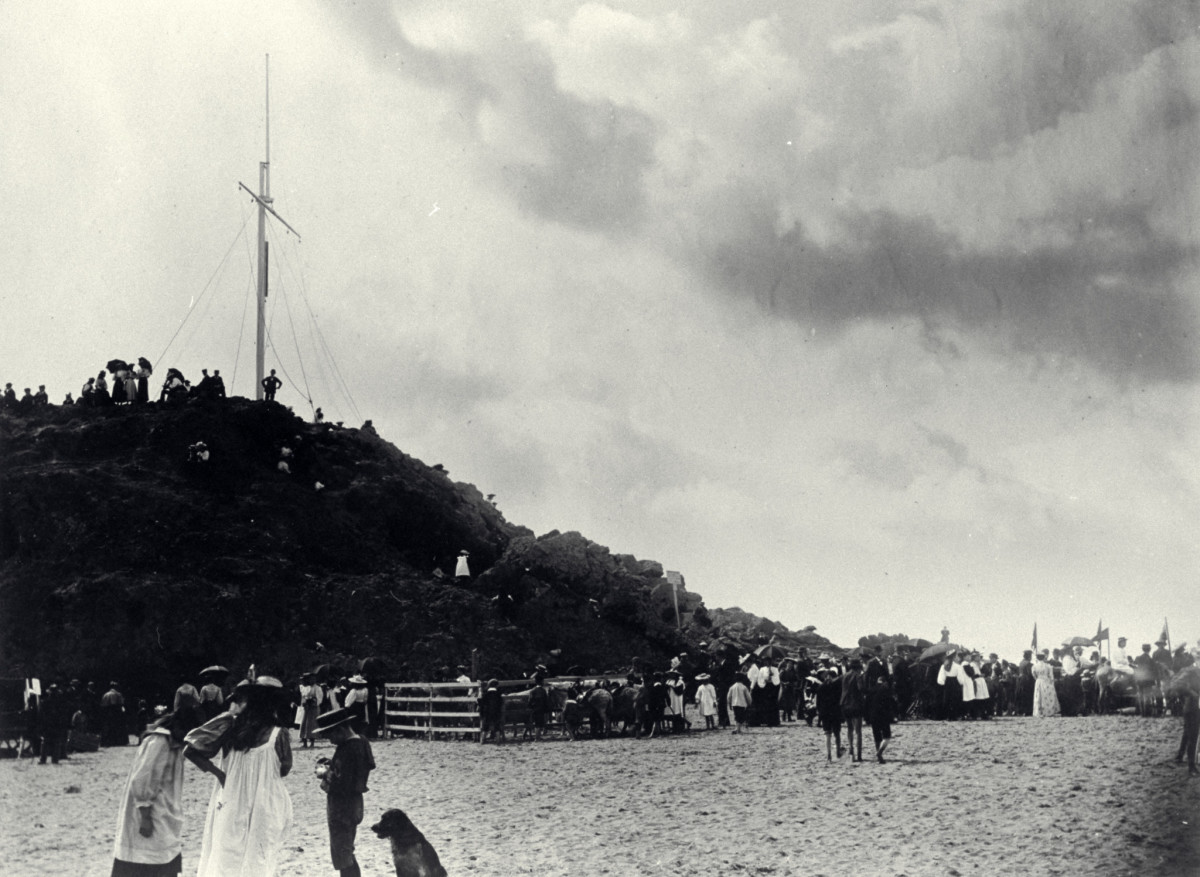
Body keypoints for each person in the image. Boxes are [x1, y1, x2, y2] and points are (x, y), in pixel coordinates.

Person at [184, 676, 294, 877]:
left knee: (227, 856)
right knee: (259, 858)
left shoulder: (230, 725)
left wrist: (220, 774)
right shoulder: (279, 733)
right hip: (265, 801)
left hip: (231, 798)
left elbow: (191, 749)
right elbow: (285, 768)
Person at [110, 687, 205, 877]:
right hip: (149, 813)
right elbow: (143, 780)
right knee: (146, 861)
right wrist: (145, 816)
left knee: (163, 859)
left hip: (164, 810)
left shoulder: (174, 743)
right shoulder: (159, 742)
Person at [313, 707, 375, 877]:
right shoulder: (362, 741)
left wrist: (325, 773)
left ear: (340, 730)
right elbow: (364, 767)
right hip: (356, 803)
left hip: (341, 807)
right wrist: (333, 765)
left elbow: (341, 783)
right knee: (347, 849)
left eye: (330, 735)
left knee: (342, 853)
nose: (330, 741)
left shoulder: (347, 749)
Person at [815, 669, 844, 761]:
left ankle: (829, 755)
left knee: (827, 734)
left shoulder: (821, 687)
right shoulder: (838, 687)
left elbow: (818, 703)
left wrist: (820, 714)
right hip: (835, 712)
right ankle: (838, 752)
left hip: (825, 712)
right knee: (837, 733)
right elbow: (840, 701)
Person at [866, 675, 895, 763]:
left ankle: (879, 756)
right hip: (884, 716)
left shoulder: (871, 690)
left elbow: (866, 704)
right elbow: (891, 704)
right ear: (885, 682)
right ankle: (880, 752)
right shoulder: (886, 690)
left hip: (873, 716)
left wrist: (867, 718)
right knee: (887, 736)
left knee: (876, 736)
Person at [841, 658, 866, 761]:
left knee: (849, 729)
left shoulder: (845, 676)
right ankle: (859, 755)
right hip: (856, 705)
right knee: (858, 731)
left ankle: (851, 752)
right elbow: (861, 689)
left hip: (845, 704)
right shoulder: (858, 676)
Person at [298, 672, 324, 749]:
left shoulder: (317, 688)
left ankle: (312, 742)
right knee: (303, 724)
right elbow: (303, 697)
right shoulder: (304, 688)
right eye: (310, 679)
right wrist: (304, 702)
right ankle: (304, 742)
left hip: (313, 708)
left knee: (312, 725)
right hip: (306, 708)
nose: (311, 680)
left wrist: (313, 701)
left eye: (313, 679)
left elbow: (320, 699)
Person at [1032, 650, 1061, 717]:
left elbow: (1034, 675)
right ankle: (1048, 711)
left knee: (1039, 696)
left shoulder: (1034, 666)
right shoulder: (1048, 666)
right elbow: (1051, 676)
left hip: (1038, 681)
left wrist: (1038, 679)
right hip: (1046, 680)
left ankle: (1039, 712)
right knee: (1047, 696)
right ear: (1044, 657)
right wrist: (1051, 682)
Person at [478, 679, 505, 744]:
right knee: (497, 726)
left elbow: (480, 702)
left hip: (487, 712)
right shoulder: (498, 695)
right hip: (496, 712)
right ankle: (498, 740)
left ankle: (483, 740)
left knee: (485, 726)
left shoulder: (486, 694)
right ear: (496, 686)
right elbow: (501, 703)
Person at [101, 682, 128, 746]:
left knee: (107, 727)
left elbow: (102, 705)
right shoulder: (118, 694)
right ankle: (116, 741)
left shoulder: (105, 694)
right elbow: (119, 705)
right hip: (115, 713)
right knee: (116, 727)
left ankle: (106, 741)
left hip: (106, 713)